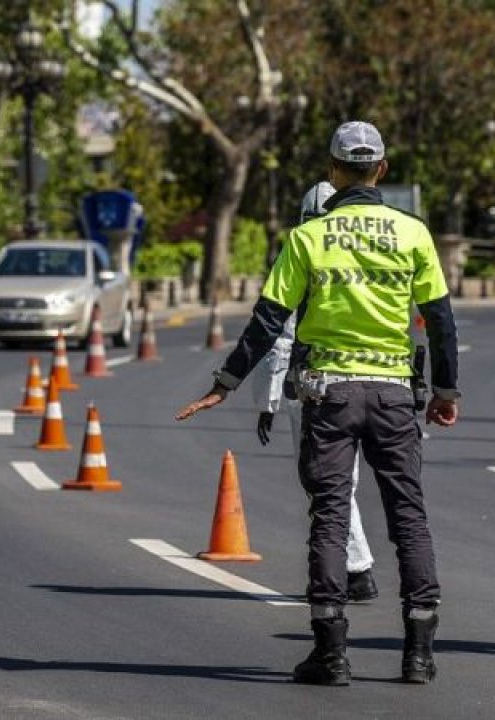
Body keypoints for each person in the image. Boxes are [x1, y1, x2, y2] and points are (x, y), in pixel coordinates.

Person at [177, 121, 460, 686]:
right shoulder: (413, 234)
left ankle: (330, 654)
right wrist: (446, 392)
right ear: (381, 170)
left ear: (333, 173)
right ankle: (419, 654)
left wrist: (225, 383)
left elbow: (267, 320)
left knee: (330, 516)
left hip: (330, 394)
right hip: (393, 393)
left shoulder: (309, 238)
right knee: (409, 516)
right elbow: (441, 322)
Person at [252, 180, 377, 603]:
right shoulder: (362, 264)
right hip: (371, 388)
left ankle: (354, 571)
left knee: (325, 484)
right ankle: (353, 570)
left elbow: (279, 335)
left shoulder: (303, 255)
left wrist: (267, 403)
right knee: (344, 483)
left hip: (312, 390)